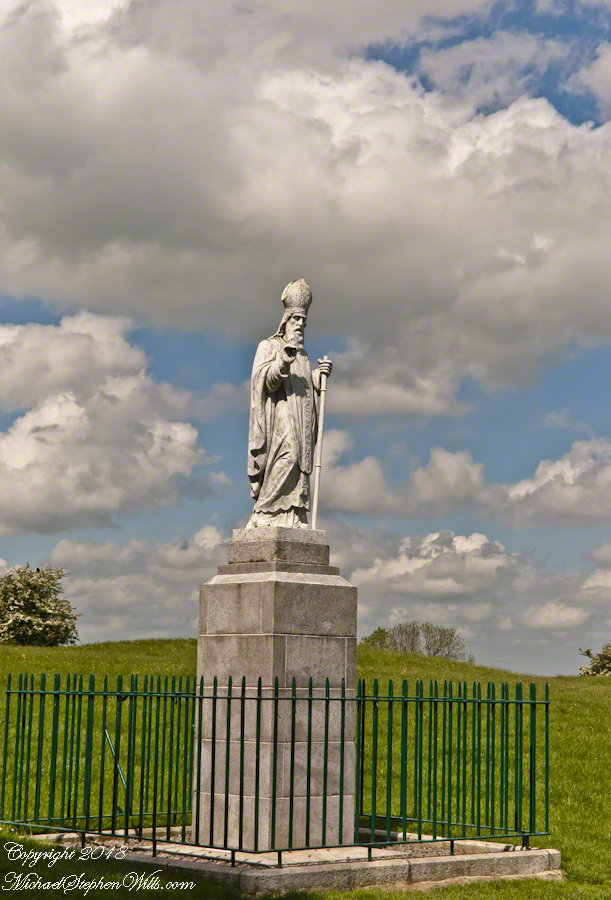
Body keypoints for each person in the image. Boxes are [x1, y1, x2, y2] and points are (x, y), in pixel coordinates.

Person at [247, 278, 332, 528]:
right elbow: (264, 381)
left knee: (301, 461)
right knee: (288, 457)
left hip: (301, 418)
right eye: (296, 319)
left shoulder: (303, 355)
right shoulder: (269, 346)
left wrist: (318, 376)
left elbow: (302, 383)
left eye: (304, 321)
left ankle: (294, 514)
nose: (301, 325)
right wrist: (282, 362)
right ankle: (264, 512)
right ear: (285, 321)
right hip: (279, 420)